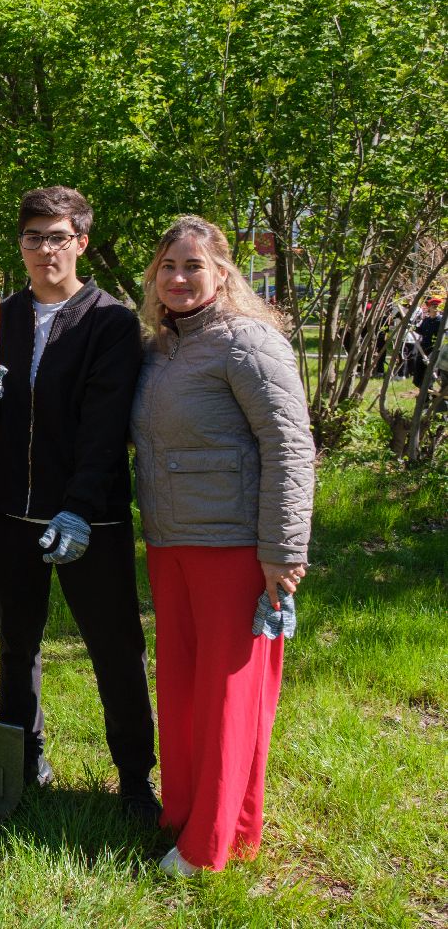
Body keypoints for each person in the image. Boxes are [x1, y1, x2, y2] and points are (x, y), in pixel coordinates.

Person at [0, 186, 160, 822]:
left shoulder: (109, 320)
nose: (45, 249)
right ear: (20, 245)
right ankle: (24, 758)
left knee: (115, 647)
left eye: (57, 237)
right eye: (33, 237)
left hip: (89, 516)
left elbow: (106, 426)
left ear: (79, 242)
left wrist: (78, 506)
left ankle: (135, 779)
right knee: (17, 644)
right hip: (13, 511)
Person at [130, 215, 315, 876]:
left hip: (237, 548)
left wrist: (283, 551)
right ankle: (186, 812)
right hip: (171, 542)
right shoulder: (162, 349)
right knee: (182, 691)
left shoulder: (248, 342)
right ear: (154, 277)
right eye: (168, 268)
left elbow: (291, 447)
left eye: (193, 267)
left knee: (230, 699)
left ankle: (210, 846)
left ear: (221, 273)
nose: (179, 278)